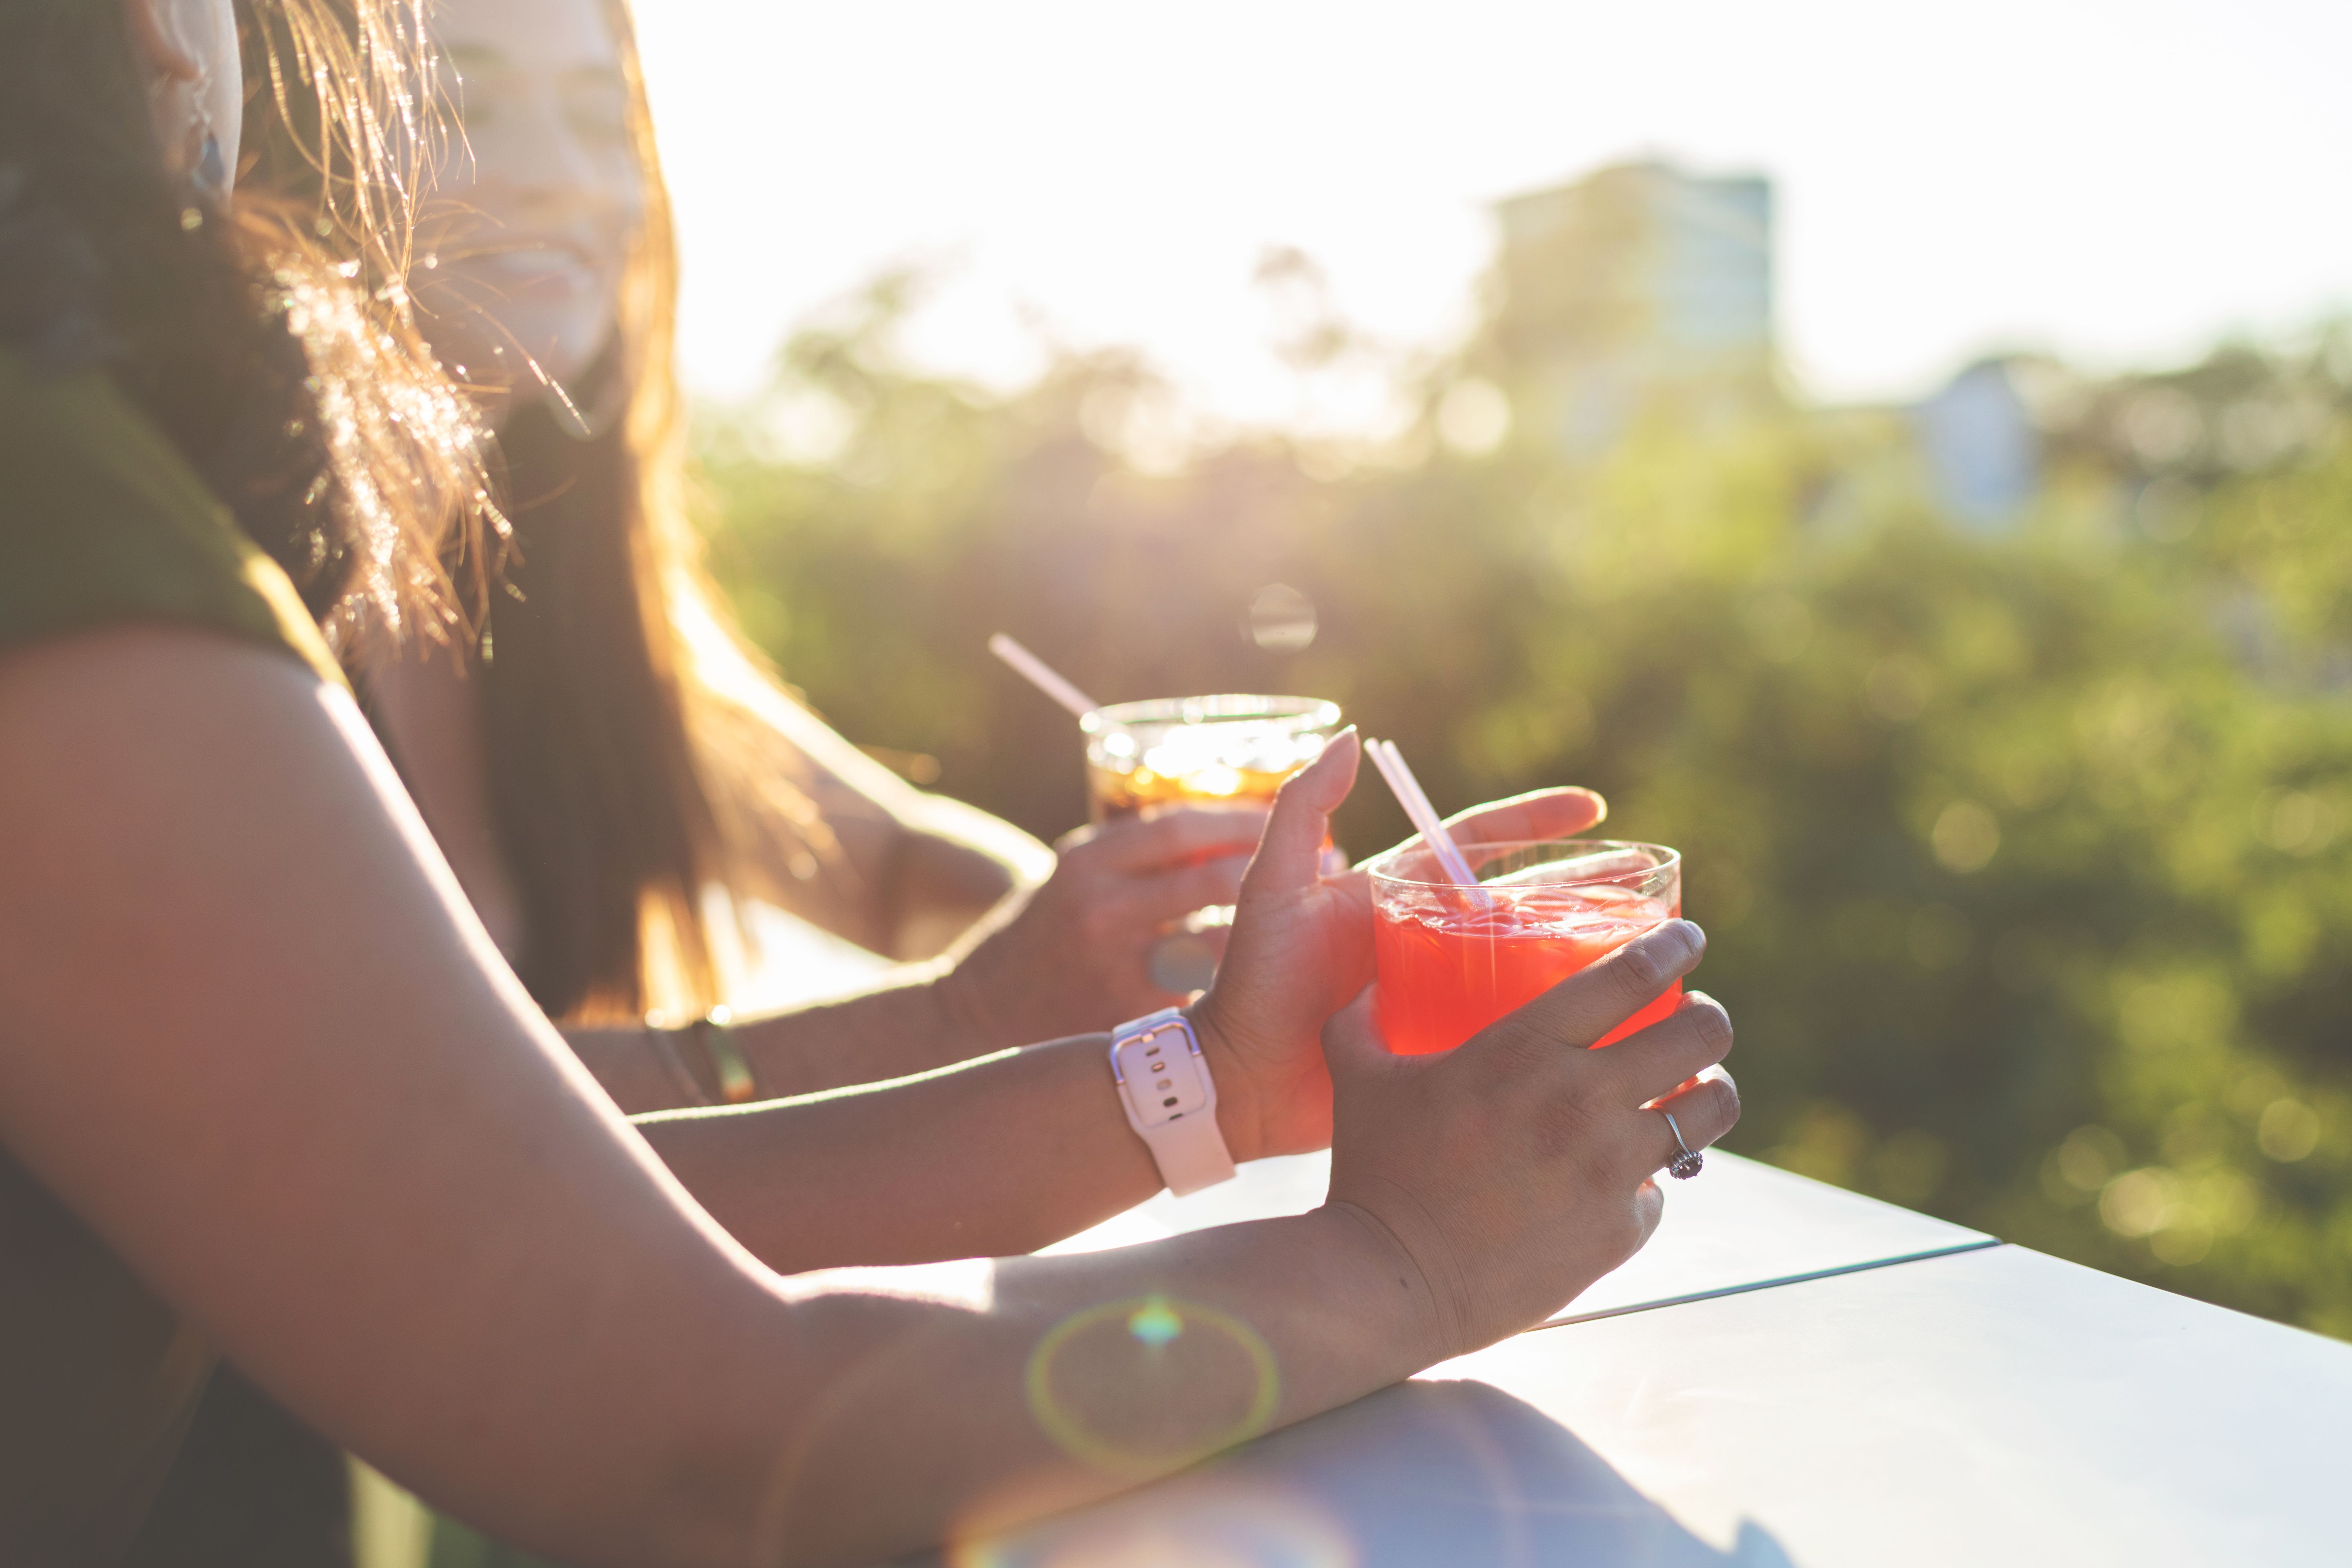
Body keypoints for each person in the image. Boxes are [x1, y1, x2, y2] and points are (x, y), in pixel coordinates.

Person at [0, 0, 1740, 1564]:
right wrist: (1403, 1266)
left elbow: (470, 1189)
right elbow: (698, 1431)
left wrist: (1200, 1078)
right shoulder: (59, 541)